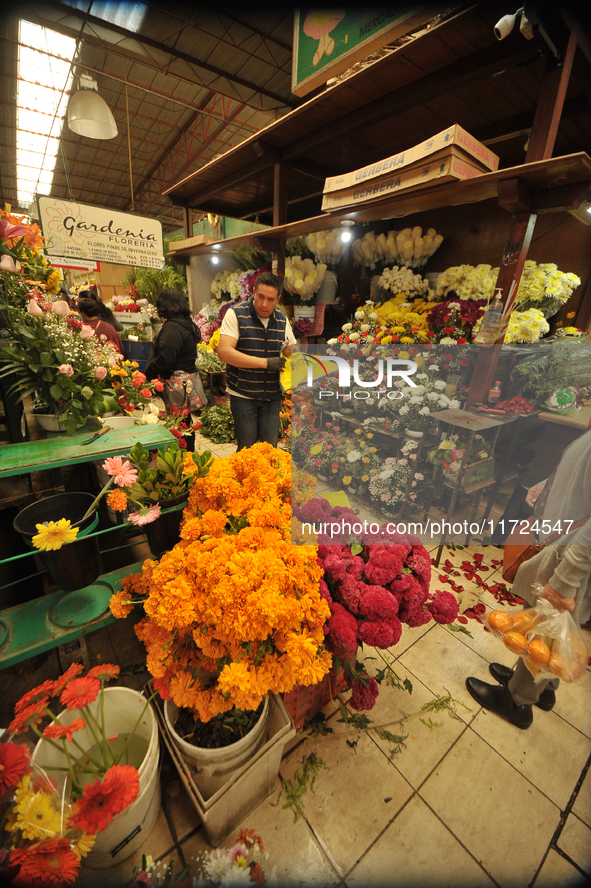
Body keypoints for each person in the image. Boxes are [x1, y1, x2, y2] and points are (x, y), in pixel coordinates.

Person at [466, 428, 591, 729]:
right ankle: (544, 686)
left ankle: (517, 701)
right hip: (563, 541)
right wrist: (547, 486)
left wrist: (565, 577)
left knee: (543, 625)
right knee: (548, 629)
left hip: (570, 552)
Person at [217, 271, 296, 450]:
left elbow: (294, 349)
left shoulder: (282, 320)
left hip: (271, 397)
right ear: (253, 291)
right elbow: (224, 352)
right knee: (247, 449)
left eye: (271, 299)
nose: (264, 304)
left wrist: (291, 350)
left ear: (278, 299)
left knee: (269, 449)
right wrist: (266, 363)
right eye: (260, 297)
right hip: (243, 393)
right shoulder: (236, 314)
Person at [144, 288, 201, 450]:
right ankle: (187, 455)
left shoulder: (172, 329)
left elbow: (165, 359)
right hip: (186, 380)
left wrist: (150, 371)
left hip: (176, 382)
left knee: (180, 424)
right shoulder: (186, 324)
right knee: (184, 421)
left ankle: (184, 458)